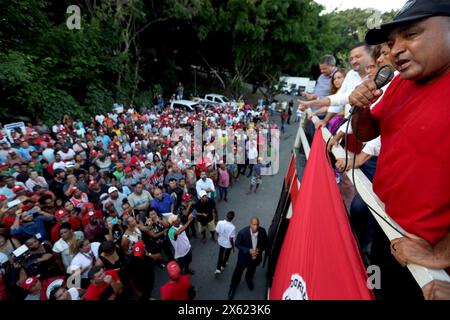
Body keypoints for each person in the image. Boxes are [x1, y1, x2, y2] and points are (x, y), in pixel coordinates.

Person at [349, 0, 450, 300]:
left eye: (412, 34)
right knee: (374, 286)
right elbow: (369, 131)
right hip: (385, 224)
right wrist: (360, 108)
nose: (395, 50)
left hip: (424, 257)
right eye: (392, 43)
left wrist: (443, 255)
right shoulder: (401, 83)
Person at [228, 217, 268, 300]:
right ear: (250, 224)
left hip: (255, 258)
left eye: (257, 225)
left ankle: (248, 279)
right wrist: (248, 250)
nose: (256, 227)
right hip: (243, 259)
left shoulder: (263, 231)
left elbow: (266, 243)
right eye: (254, 224)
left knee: (251, 270)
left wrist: (259, 249)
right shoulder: (243, 233)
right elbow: (237, 244)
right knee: (237, 273)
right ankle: (233, 287)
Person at [215, 211, 236, 275]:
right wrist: (233, 247)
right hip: (228, 244)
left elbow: (217, 231)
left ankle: (218, 268)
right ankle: (223, 265)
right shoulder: (232, 227)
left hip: (221, 241)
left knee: (220, 254)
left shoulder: (220, 222)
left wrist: (218, 237)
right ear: (233, 218)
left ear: (226, 216)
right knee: (227, 254)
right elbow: (231, 239)